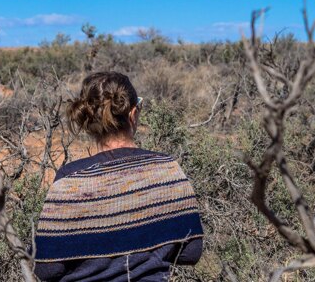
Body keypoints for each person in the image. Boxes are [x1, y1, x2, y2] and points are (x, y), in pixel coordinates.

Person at [34, 72, 203, 282]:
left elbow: (46, 270)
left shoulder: (70, 180)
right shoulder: (167, 169)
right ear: (133, 114)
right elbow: (191, 252)